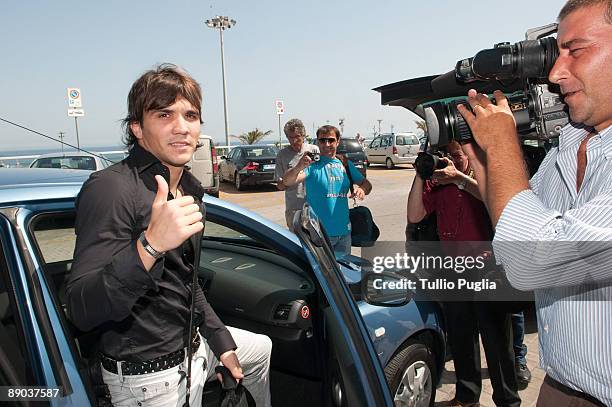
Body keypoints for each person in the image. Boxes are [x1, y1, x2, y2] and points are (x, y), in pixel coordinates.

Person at [65, 64, 272, 407]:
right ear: (138, 128)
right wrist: (150, 246)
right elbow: (81, 309)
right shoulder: (111, 189)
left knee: (260, 349)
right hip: (148, 379)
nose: (181, 128)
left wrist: (220, 341)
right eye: (164, 114)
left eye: (190, 115)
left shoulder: (191, 190)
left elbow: (185, 282)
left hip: (193, 348)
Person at [457, 1, 612, 405]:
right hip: (561, 386)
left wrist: (504, 144)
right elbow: (520, 219)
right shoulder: (572, 143)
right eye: (555, 53)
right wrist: (485, 163)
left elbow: (530, 260)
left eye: (575, 51)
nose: (556, 73)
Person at [407, 140, 520, 407]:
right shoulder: (438, 185)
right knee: (461, 335)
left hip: (488, 268)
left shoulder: (481, 178)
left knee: (496, 340)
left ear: (469, 155)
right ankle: (467, 397)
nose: (451, 161)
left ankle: (508, 401)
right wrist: (420, 174)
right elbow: (414, 215)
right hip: (453, 270)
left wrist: (458, 178)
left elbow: (494, 200)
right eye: (447, 156)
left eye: (457, 156)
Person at [283, 125, 372, 255]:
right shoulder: (312, 165)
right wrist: (298, 167)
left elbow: (367, 184)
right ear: (317, 142)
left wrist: (362, 189)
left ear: (338, 141)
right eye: (322, 140)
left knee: (343, 273)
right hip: (319, 235)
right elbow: (287, 181)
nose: (327, 144)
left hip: (344, 234)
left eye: (331, 140)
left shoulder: (344, 164)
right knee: (321, 274)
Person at [275, 118, 319, 232]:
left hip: (316, 207)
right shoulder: (282, 155)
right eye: (290, 137)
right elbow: (279, 186)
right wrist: (289, 177)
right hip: (294, 209)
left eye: (297, 137)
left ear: (303, 135)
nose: (294, 141)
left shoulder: (314, 150)